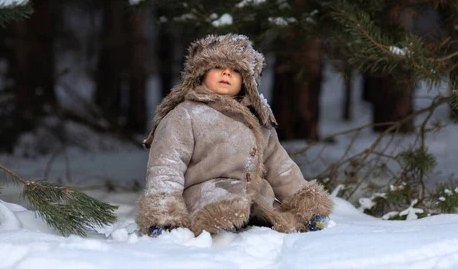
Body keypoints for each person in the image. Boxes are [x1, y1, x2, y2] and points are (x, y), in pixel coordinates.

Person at [136, 34, 333, 236]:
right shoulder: (185, 115)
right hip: (207, 200)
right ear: (201, 74)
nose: (227, 73)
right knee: (223, 214)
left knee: (275, 218)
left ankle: (264, 221)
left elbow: (281, 168)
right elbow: (167, 166)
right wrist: (163, 215)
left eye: (236, 70)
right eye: (217, 67)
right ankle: (232, 224)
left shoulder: (257, 121)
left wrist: (307, 204)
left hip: (258, 202)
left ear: (246, 81)